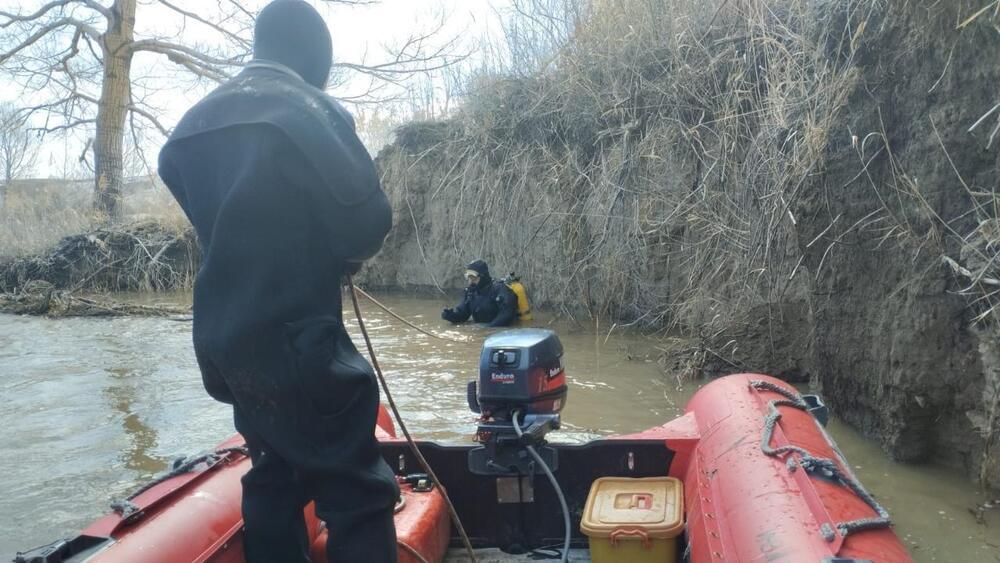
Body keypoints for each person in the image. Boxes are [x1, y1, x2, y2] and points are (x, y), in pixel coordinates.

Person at [156, 1, 398, 561]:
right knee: (358, 491)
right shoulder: (307, 109)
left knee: (274, 474)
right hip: (300, 341)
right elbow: (367, 222)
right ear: (315, 56)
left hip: (224, 343)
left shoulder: (190, 125)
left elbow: (214, 219)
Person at [441, 259, 518, 327]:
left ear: (483, 276)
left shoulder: (500, 289)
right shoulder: (470, 293)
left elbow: (507, 315)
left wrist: (489, 328)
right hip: (484, 329)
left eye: (473, 278)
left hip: (500, 334)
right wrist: (450, 316)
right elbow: (462, 315)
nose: (471, 281)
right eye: (469, 277)